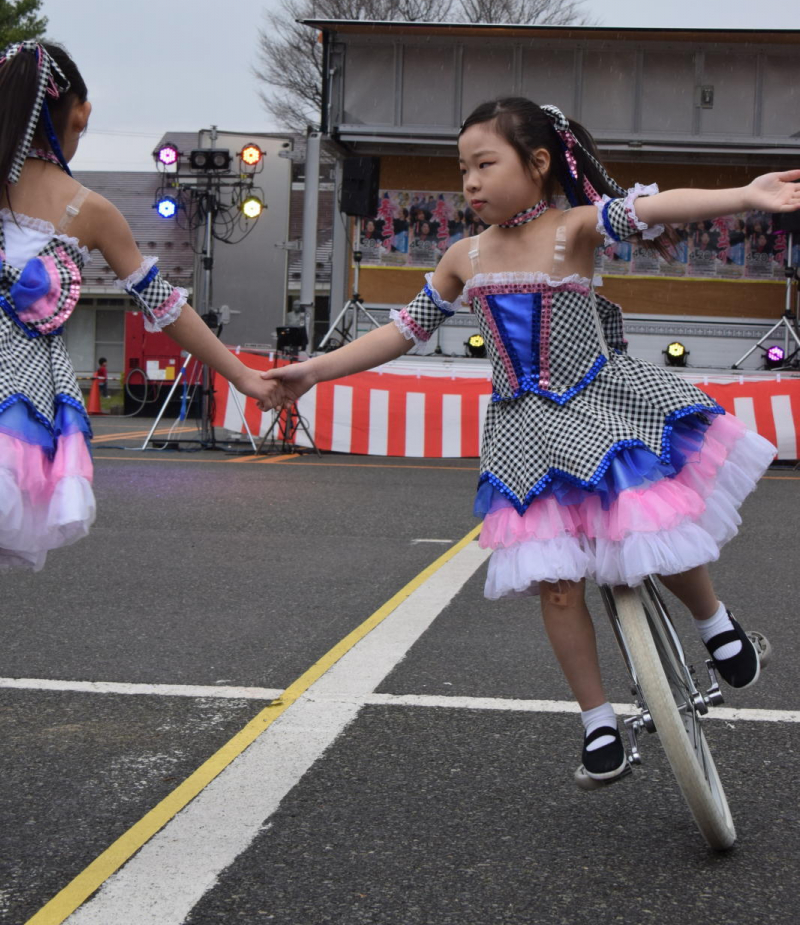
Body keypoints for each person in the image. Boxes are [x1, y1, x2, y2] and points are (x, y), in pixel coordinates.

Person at [260, 96, 798, 786]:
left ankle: (715, 623)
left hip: (601, 404)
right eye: (463, 170)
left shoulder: (572, 229)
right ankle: (597, 722)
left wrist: (746, 193)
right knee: (558, 586)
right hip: (523, 436)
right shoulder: (465, 256)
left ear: (539, 163)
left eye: (485, 164)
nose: (471, 182)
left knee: (649, 527)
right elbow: (400, 330)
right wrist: (313, 371)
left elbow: (657, 210)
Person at [0, 40, 272, 573]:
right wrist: (244, 376)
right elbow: (166, 307)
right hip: (24, 413)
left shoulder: (89, 210)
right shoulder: (88, 210)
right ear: (74, 113)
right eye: (81, 125)